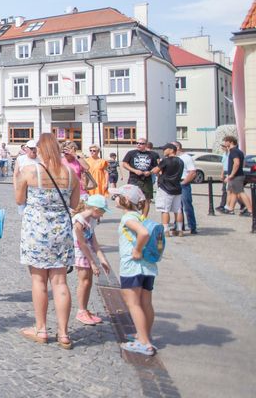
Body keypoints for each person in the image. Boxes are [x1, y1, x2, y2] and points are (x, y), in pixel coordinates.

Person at [15, 133, 79, 350]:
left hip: (36, 229)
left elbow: (19, 199)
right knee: (60, 282)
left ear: (41, 150)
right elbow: (75, 203)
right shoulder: (70, 174)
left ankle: (41, 329)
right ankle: (63, 333)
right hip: (61, 230)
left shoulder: (31, 171)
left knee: (39, 281)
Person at [111, 184, 158, 356]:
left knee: (133, 303)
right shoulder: (140, 216)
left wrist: (137, 249)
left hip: (132, 265)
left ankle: (143, 342)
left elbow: (143, 233)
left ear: (125, 200)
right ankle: (144, 334)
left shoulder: (128, 218)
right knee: (146, 302)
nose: (115, 198)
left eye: (117, 196)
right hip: (148, 266)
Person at [72, 195, 112, 325]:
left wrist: (102, 259)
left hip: (87, 251)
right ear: (95, 209)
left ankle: (85, 309)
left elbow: (94, 242)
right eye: (103, 211)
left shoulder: (92, 219)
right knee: (84, 281)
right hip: (80, 252)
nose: (103, 214)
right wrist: (93, 263)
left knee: (88, 281)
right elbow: (82, 243)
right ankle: (81, 310)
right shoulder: (79, 220)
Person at [152, 143, 185, 236]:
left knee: (165, 210)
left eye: (165, 149)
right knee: (178, 210)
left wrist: (156, 170)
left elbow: (155, 171)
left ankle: (166, 230)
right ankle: (179, 230)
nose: (163, 151)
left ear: (171, 150)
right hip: (177, 187)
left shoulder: (166, 161)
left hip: (165, 187)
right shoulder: (180, 161)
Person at [121, 138, 159, 217]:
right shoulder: (131, 153)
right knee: (130, 198)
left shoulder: (152, 154)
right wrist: (134, 170)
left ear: (145, 145)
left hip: (146, 180)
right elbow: (124, 164)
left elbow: (157, 167)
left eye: (141, 143)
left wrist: (150, 172)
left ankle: (143, 218)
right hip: (134, 179)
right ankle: (131, 216)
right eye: (137, 143)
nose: (138, 144)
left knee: (146, 200)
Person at [222, 135, 253, 216]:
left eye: (226, 141)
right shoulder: (238, 151)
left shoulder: (234, 151)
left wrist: (231, 175)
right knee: (234, 193)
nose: (224, 143)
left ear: (231, 142)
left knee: (240, 192)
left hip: (236, 176)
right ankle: (231, 209)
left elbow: (236, 163)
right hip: (237, 175)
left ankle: (250, 211)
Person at [175, 142, 197, 234]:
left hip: (183, 183)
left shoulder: (186, 157)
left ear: (178, 147)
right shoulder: (173, 158)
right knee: (177, 207)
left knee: (187, 206)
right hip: (175, 183)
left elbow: (192, 172)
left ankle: (192, 226)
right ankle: (179, 226)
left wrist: (184, 182)